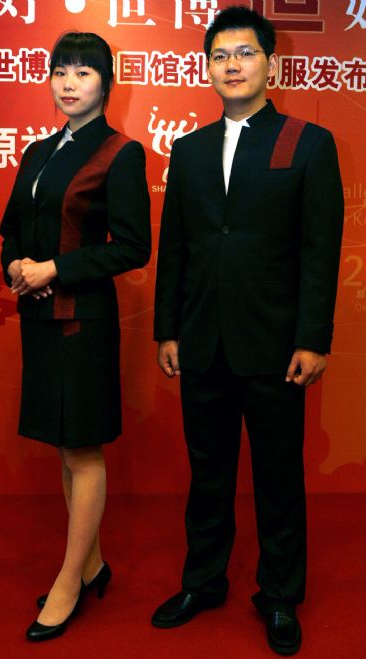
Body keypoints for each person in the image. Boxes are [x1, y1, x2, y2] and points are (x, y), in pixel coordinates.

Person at [152, 6, 343, 655]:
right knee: (208, 471)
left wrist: (314, 337)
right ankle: (203, 581)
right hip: (201, 338)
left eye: (245, 54)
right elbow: (175, 246)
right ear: (207, 68)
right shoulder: (190, 148)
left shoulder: (307, 142)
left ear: (271, 63)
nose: (231, 65)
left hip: (274, 345)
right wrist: (167, 329)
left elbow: (320, 249)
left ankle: (280, 593)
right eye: (220, 56)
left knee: (278, 474)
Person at [0, 32, 151, 642]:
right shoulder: (37, 151)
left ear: (106, 84)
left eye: (83, 72)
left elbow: (133, 248)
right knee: (64, 445)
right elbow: (12, 227)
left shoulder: (121, 152)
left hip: (84, 323)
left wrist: (55, 269)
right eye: (60, 70)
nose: (68, 82)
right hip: (37, 317)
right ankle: (92, 564)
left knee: (83, 448)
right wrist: (16, 264)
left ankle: (70, 581)